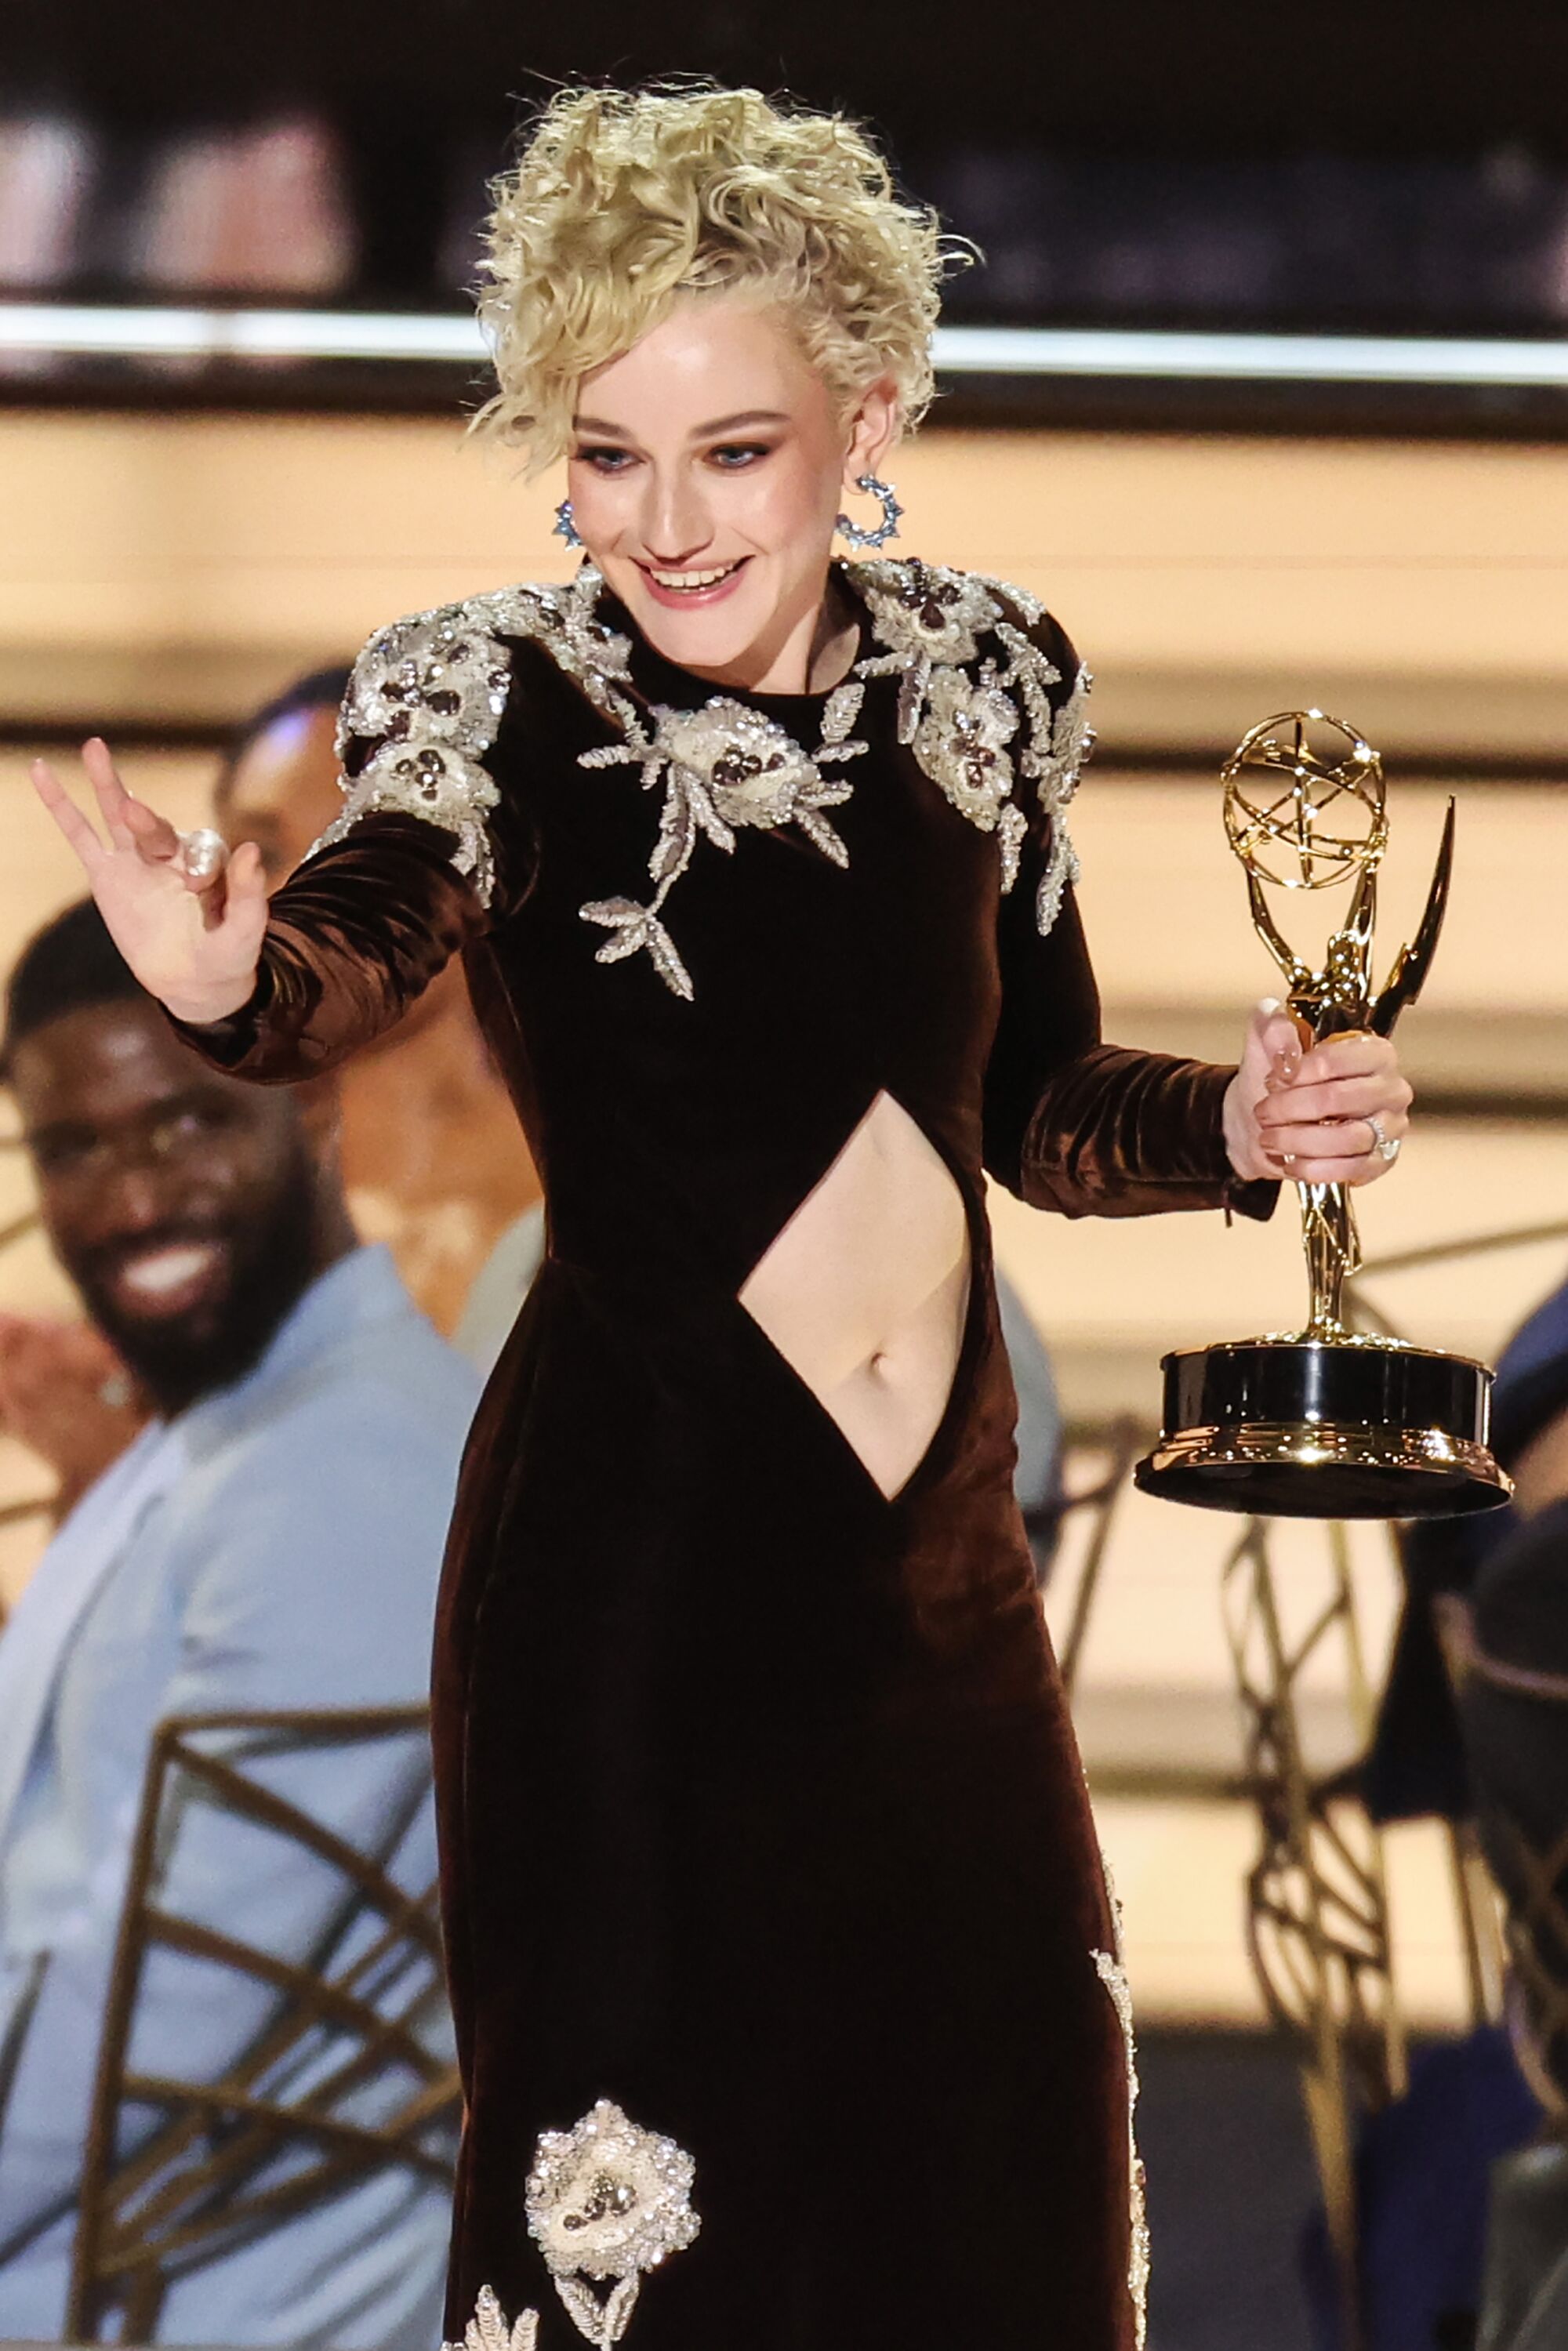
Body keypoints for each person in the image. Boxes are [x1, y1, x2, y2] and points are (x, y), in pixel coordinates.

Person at [31, 84, 1414, 2351]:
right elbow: (351, 951)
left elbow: (1042, 1103)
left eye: (733, 452)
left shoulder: (988, 677)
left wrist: (1243, 1122)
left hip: (940, 1605)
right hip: (631, 1615)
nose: (663, 523)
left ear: (869, 410)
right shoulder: (494, 701)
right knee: (652, 2260)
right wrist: (229, 986)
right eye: (606, 455)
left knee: (1011, 2229)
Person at [0, 901, 481, 2347]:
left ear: (311, 1090)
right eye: (75, 1150)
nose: (136, 1199)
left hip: (155, 2301)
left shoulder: (346, 1468)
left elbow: (141, 2034)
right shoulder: (241, 1432)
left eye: (188, 1122)